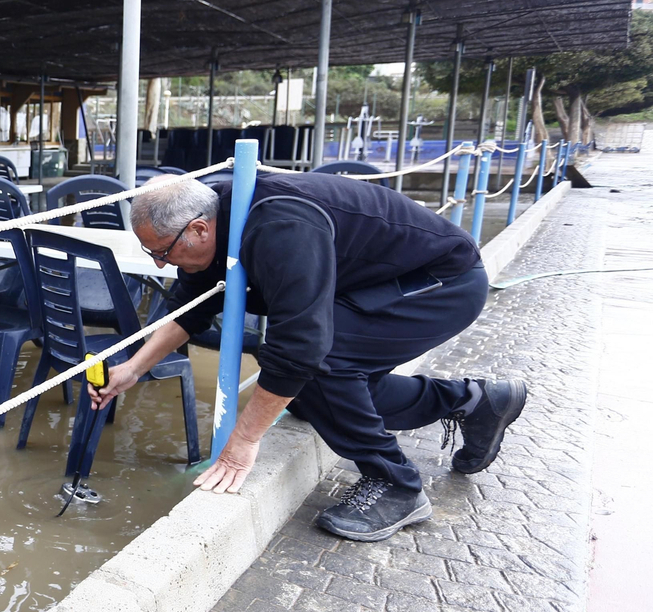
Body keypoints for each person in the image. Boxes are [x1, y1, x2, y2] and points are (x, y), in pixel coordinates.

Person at [88, 172, 527, 541]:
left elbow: (301, 345)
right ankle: (473, 401)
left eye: (162, 253)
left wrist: (242, 442)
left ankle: (397, 485)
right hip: (369, 284)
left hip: (438, 284)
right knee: (307, 393)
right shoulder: (213, 211)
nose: (161, 265)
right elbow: (193, 306)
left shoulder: (280, 226)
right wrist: (132, 369)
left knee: (319, 366)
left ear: (199, 230)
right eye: (152, 254)